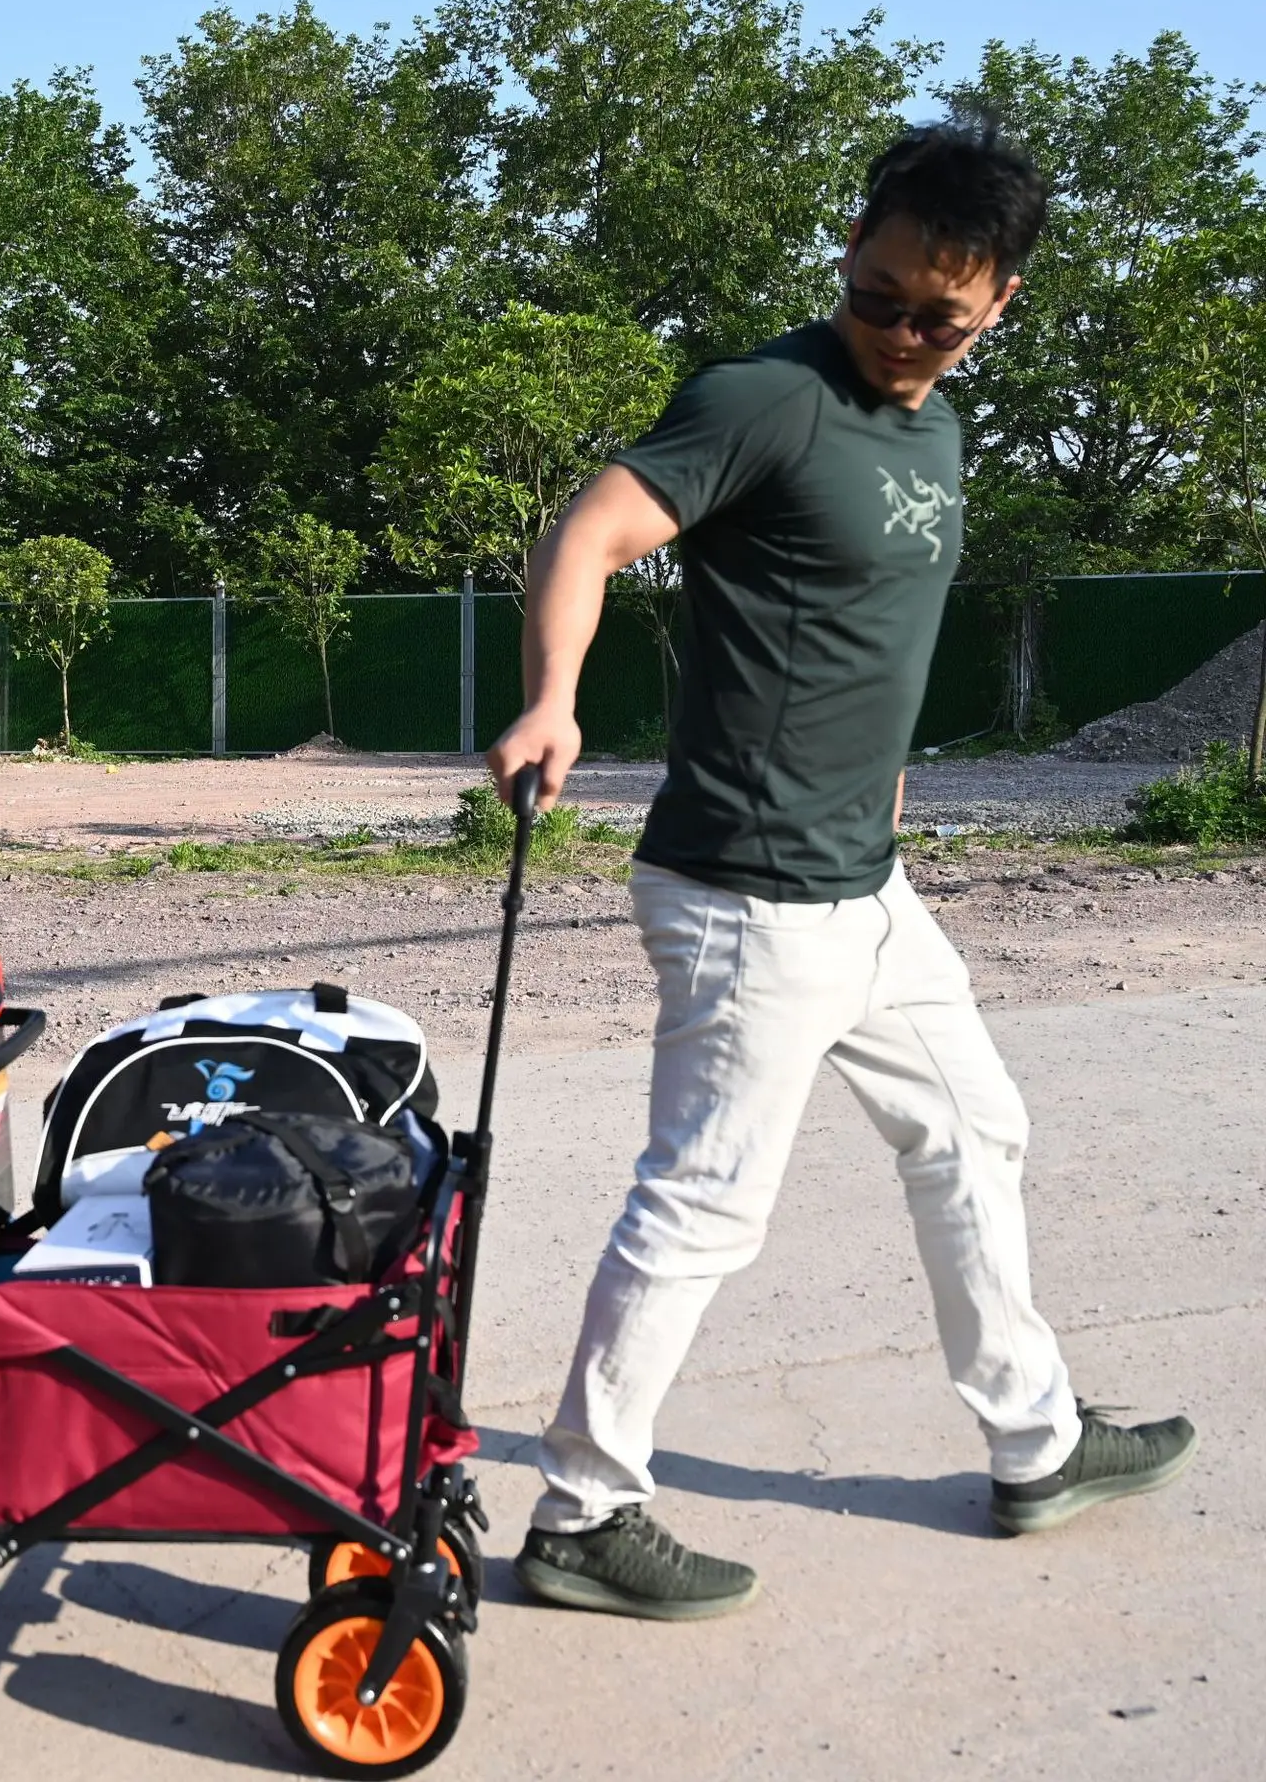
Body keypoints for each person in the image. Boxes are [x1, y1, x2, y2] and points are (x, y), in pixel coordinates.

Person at [486, 122, 1197, 1621]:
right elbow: (593, 530)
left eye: (940, 316)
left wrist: (883, 807)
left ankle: (1038, 1441)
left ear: (998, 302)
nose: (900, 333)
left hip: (865, 890)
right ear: (852, 252)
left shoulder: (935, 432)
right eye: (878, 295)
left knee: (974, 1130)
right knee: (705, 1203)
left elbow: (870, 643)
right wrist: (552, 700)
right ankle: (585, 1512)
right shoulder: (766, 398)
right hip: (749, 892)